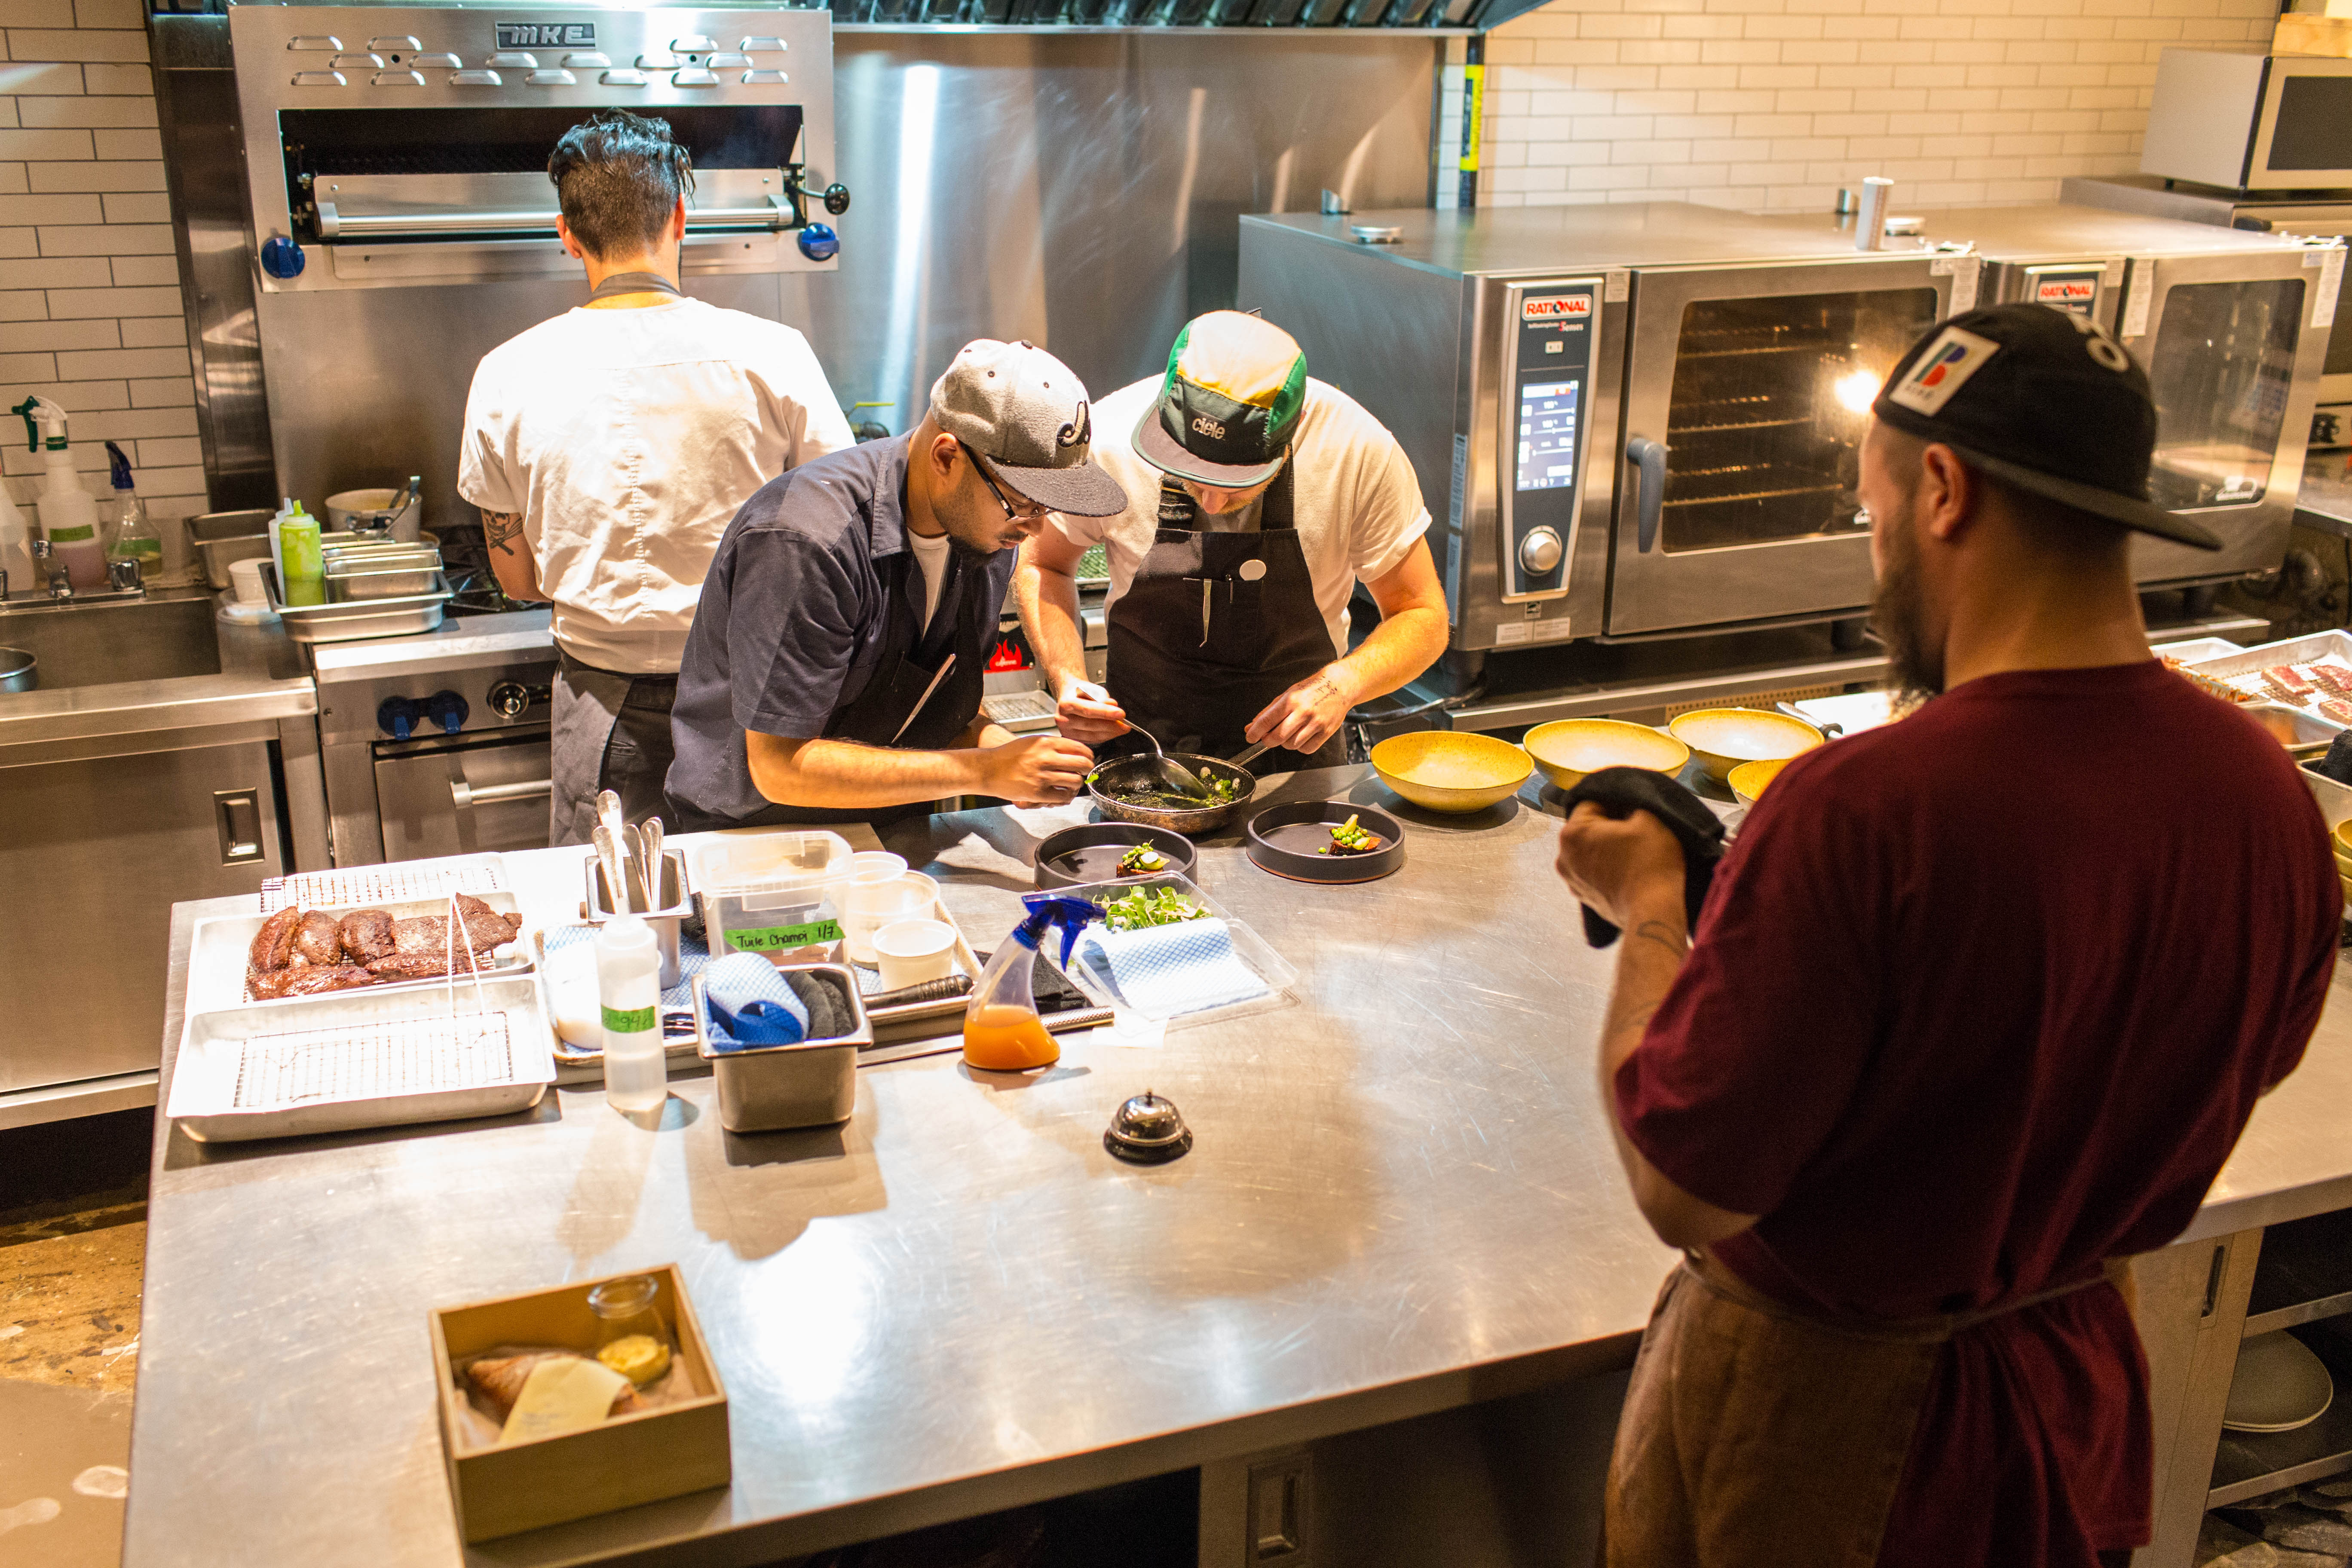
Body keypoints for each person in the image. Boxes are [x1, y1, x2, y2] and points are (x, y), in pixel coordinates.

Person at [1553, 304, 2340, 1568]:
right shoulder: (2264, 795)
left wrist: (1648, 904)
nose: (1877, 569)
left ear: (1941, 489)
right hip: (2071, 1405)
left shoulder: (1868, 805)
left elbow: (1682, 1186)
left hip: (1827, 1437)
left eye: (1872, 520)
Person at [457, 110, 852, 845]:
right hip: (759, 706)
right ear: (679, 218)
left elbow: (517, 579)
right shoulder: (774, 354)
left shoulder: (506, 373)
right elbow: (836, 534)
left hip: (603, 709)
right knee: (762, 900)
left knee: (619, 908)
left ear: (567, 234)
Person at [665, 340, 1127, 830]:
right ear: (946, 457)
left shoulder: (985, 538)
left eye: (1046, 508)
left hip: (886, 823)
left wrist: (1013, 757)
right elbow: (780, 768)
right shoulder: (808, 541)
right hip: (761, 834)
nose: (1034, 528)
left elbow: (941, 709)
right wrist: (984, 772)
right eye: (1022, 504)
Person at [1014, 311, 1449, 772]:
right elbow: (1043, 563)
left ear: (1294, 430)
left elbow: (1423, 615)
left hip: (1298, 761)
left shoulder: (1356, 451)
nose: (1213, 503)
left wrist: (1343, 684)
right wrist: (1068, 678)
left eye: (1237, 483)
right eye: (1190, 473)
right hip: (1140, 754)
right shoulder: (1108, 440)